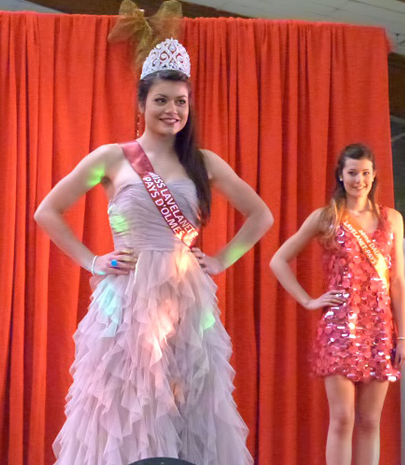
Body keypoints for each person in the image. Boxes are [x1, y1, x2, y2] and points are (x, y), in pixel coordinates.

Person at [35, 38, 273, 465]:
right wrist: (93, 261)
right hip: (127, 297)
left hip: (187, 297)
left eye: (181, 101)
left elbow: (261, 215)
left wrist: (221, 260)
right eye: (161, 100)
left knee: (188, 400)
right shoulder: (112, 158)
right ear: (142, 103)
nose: (172, 110)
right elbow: (47, 212)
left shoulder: (203, 162)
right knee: (126, 401)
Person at [269, 143, 405, 465]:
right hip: (339, 328)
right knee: (343, 418)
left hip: (380, 329)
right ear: (341, 175)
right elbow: (278, 260)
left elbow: (398, 281)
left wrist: (403, 337)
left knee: (370, 421)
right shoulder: (327, 217)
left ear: (374, 175)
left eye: (365, 173)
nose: (359, 180)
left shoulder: (392, 219)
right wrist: (308, 300)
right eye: (352, 173)